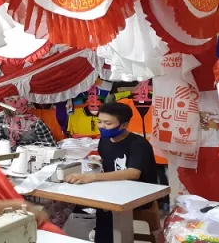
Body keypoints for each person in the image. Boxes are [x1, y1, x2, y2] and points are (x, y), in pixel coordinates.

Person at [64, 102, 158, 243]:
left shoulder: (139, 144)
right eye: (100, 121)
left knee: (105, 209)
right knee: (77, 204)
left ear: (124, 125)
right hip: (113, 188)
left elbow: (133, 173)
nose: (102, 126)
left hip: (139, 194)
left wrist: (93, 177)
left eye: (108, 123)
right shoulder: (105, 141)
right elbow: (109, 164)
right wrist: (98, 163)